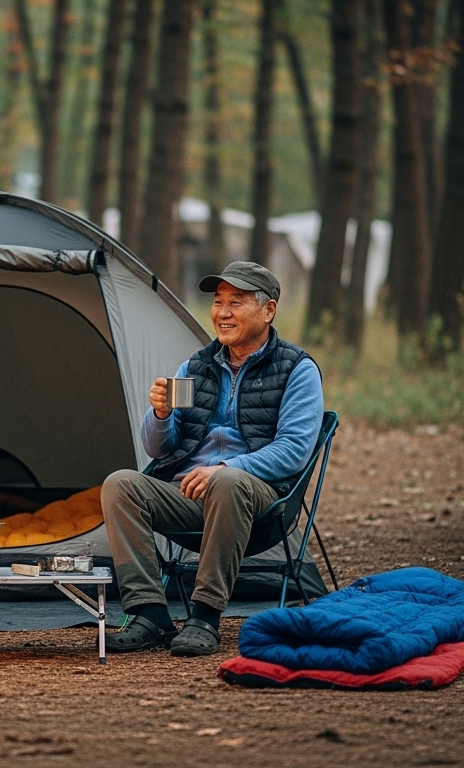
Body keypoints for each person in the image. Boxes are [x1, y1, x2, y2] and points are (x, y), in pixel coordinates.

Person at [102, 261, 324, 656]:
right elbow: (159, 448)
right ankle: (149, 613)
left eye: (235, 302)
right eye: (218, 302)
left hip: (257, 501)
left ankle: (204, 616)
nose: (222, 313)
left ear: (268, 310)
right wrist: (160, 414)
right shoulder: (198, 366)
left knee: (226, 481)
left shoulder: (297, 369)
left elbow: (293, 450)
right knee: (120, 484)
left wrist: (228, 467)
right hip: (189, 495)